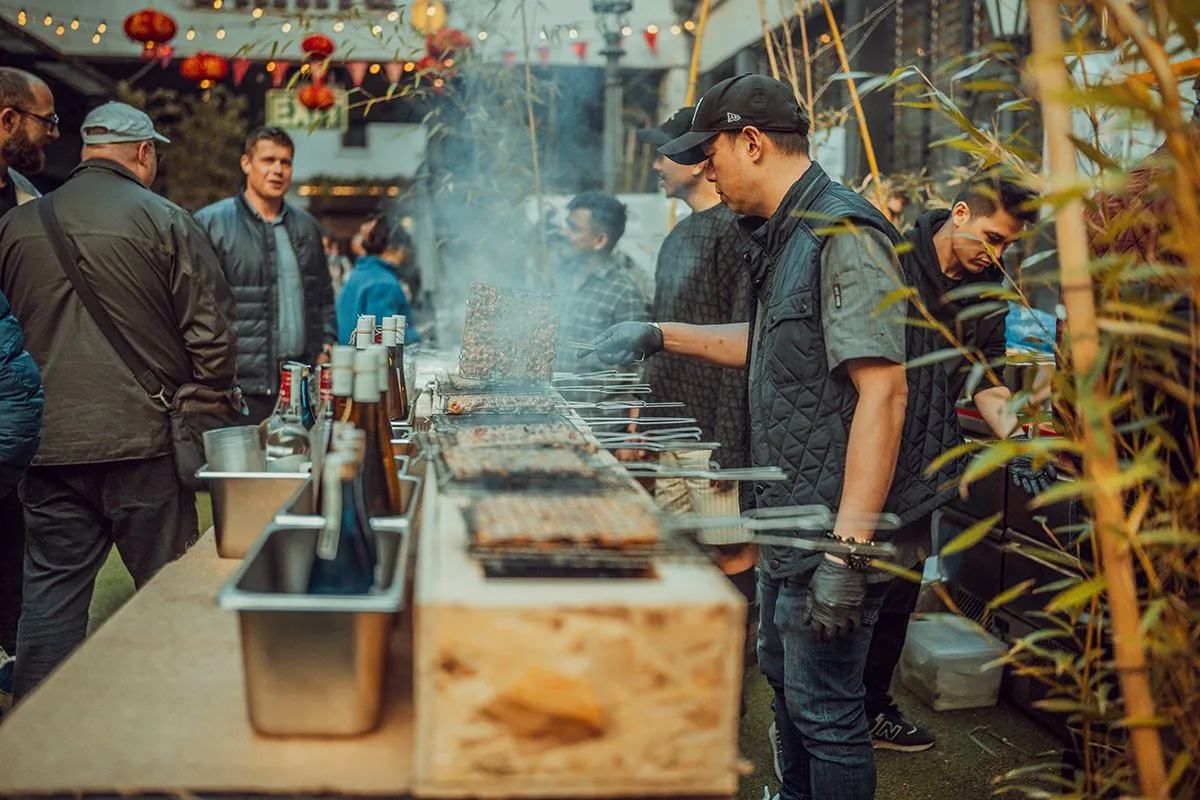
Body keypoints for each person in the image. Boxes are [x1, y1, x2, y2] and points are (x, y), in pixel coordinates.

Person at [582, 74, 963, 800]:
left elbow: (885, 389)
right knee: (789, 692)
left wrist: (849, 555)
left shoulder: (841, 232)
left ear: (751, 143)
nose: (708, 172)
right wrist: (663, 335)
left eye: (712, 154)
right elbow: (778, 343)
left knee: (827, 709)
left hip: (833, 528)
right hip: (789, 514)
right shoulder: (788, 233)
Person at [0, 102, 238, 701]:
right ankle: (178, 714)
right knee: (170, 591)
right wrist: (201, 401)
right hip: (146, 443)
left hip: (48, 444)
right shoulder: (166, 220)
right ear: (143, 153)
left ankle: (37, 737)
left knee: (50, 598)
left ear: (85, 152)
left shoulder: (18, 227)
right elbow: (212, 336)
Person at [861, 171, 1048, 753]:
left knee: (896, 593)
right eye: (993, 238)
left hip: (925, 461)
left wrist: (1024, 439)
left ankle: (871, 710)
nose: (997, 255)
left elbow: (986, 380)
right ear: (960, 214)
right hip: (861, 443)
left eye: (1009, 246)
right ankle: (812, 714)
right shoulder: (886, 254)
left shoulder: (991, 289)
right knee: (845, 582)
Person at [635, 106, 756, 627]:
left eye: (664, 154)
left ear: (696, 160)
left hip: (711, 434)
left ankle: (736, 671)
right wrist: (645, 420)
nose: (657, 166)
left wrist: (729, 445)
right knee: (683, 549)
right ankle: (693, 654)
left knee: (731, 551)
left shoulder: (736, 232)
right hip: (672, 427)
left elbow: (745, 341)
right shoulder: (677, 238)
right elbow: (661, 335)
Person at [194, 127, 336, 423]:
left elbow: (323, 295)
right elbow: (195, 305)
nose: (278, 170)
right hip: (239, 388)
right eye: (268, 160)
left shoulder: (307, 227)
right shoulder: (211, 224)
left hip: (300, 383)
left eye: (285, 162)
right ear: (246, 163)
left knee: (301, 465)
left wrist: (327, 343)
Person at [0, 66, 57, 685]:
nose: (53, 134)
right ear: (8, 119)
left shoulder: (27, 200)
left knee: (17, 558)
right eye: (46, 120)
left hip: (17, 419)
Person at [554, 191, 650, 375]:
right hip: (554, 400)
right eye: (566, 225)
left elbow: (635, 366)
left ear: (600, 240)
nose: (563, 233)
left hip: (596, 402)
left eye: (573, 228)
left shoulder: (625, 292)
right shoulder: (561, 277)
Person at [336, 213, 422, 346]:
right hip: (369, 363)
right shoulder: (384, 283)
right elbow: (384, 337)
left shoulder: (359, 273)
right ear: (396, 247)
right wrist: (416, 334)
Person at [323, 232, 352, 297]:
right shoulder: (321, 261)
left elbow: (348, 277)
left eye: (328, 247)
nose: (326, 251)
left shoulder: (343, 260)